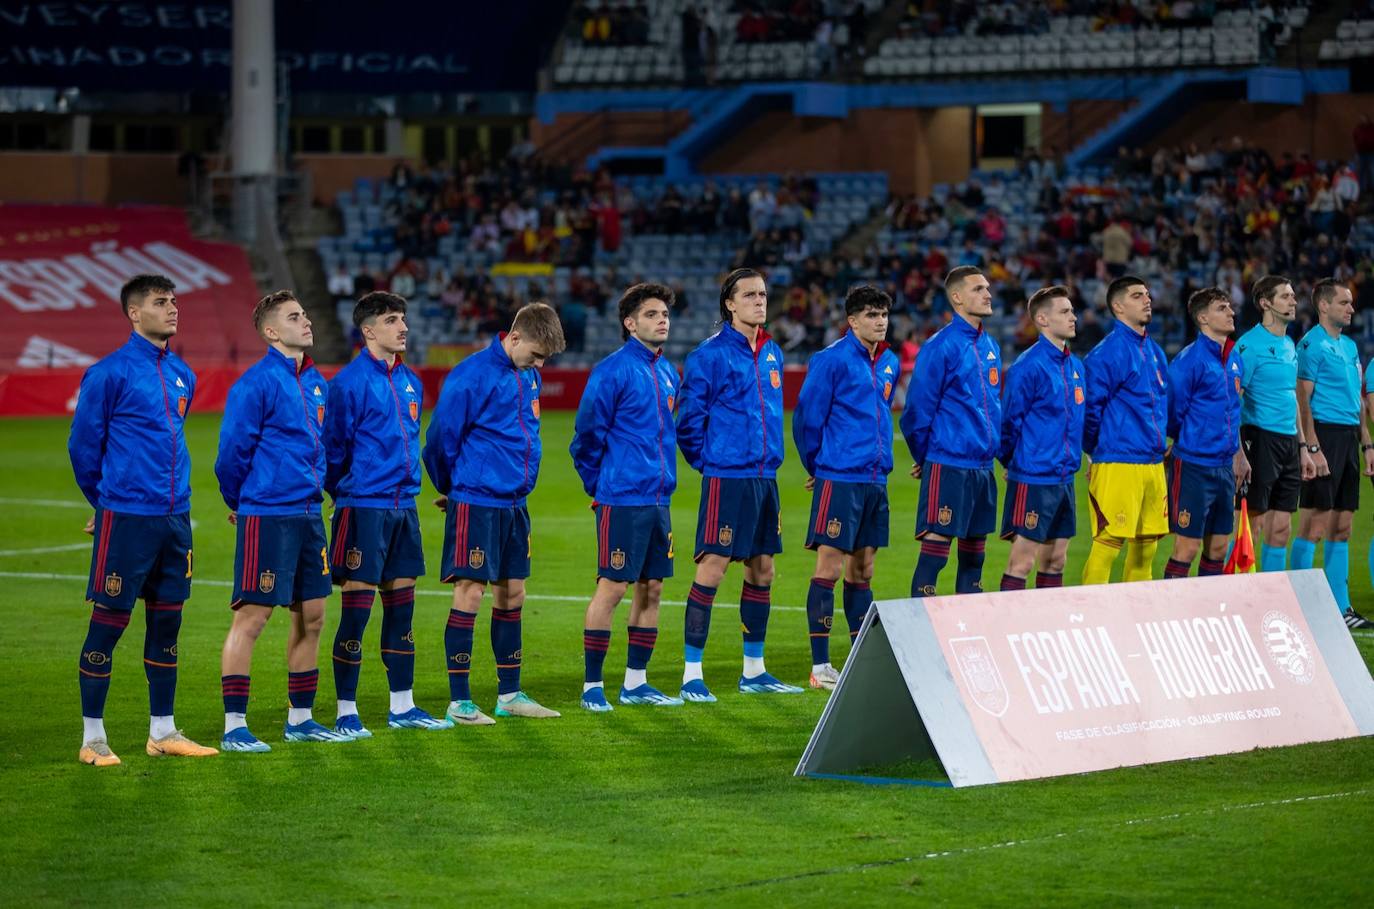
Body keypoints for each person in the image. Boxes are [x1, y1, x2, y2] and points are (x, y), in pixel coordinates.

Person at [68, 274, 218, 767]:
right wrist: (105, 502)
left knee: (167, 626)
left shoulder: (181, 373)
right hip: (128, 518)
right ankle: (93, 737)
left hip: (176, 520)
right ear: (134, 313)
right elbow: (83, 448)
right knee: (108, 625)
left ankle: (163, 731)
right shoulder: (108, 373)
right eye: (160, 302)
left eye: (174, 300)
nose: (173, 308)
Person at [216, 291, 349, 751]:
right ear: (271, 331)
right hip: (268, 515)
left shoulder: (316, 383)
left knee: (312, 617)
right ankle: (235, 726)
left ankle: (301, 719)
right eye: (295, 317)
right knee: (252, 619)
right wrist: (245, 501)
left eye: (306, 313)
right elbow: (231, 454)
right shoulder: (256, 384)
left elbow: (324, 448)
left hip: (309, 515)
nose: (307, 321)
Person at [424, 303, 568, 724]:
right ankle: (459, 701)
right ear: (515, 336)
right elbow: (439, 441)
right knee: (470, 592)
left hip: (514, 505)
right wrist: (454, 490)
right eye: (536, 354)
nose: (539, 364)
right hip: (477, 501)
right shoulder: (471, 375)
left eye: (544, 359)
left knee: (513, 593)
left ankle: (509, 695)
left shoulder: (529, 376)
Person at [323, 292, 447, 738]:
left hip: (404, 509)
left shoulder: (410, 380)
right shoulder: (348, 383)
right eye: (392, 320)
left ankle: (403, 705)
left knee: (402, 611)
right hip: (363, 508)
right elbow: (332, 450)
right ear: (368, 331)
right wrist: (347, 492)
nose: (404, 327)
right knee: (356, 613)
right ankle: (345, 710)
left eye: (404, 319)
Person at [676, 268, 802, 701]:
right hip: (727, 477)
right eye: (749, 294)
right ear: (730, 303)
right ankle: (692, 673)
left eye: (763, 294)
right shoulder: (708, 356)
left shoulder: (772, 353)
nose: (759, 301)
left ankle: (754, 670)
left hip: (765, 479)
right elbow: (688, 424)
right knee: (712, 569)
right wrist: (712, 465)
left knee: (763, 570)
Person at [569, 284, 683, 711]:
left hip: (658, 500)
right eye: (652, 314)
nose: (663, 320)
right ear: (630, 323)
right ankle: (592, 686)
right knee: (613, 588)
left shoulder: (669, 372)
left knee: (652, 588)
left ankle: (636, 683)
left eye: (665, 314)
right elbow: (585, 439)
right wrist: (600, 488)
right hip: (622, 499)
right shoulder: (612, 370)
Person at [792, 285, 900, 689]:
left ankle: (858, 661)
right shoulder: (831, 360)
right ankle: (820, 667)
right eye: (871, 315)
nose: (880, 321)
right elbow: (807, 419)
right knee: (830, 567)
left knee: (864, 569)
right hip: (840, 478)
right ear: (852, 321)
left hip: (875, 480)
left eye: (884, 314)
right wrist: (819, 465)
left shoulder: (888, 361)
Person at [900, 267, 1001, 597]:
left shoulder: (990, 346)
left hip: (983, 467)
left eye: (987, 288)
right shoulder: (940, 346)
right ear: (957, 297)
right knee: (936, 552)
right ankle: (919, 637)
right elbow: (916, 410)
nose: (987, 294)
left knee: (975, 558)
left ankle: (968, 638)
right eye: (978, 289)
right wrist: (927, 456)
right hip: (949, 462)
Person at [1292, 280, 1374, 629]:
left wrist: (1367, 443)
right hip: (1323, 434)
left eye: (1351, 303)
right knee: (1314, 523)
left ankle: (1342, 608)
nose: (1351, 309)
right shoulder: (1311, 345)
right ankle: (1301, 605)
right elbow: (1302, 400)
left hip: (1348, 439)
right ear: (1324, 306)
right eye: (1344, 303)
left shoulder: (1351, 347)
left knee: (1343, 525)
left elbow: (1357, 401)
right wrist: (1311, 447)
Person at [1080, 276, 1171, 585]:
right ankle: (1093, 622)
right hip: (1118, 462)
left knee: (1148, 550)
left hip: (1153, 463)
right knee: (1108, 546)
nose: (1147, 299)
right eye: (1137, 296)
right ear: (1118, 306)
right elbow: (1089, 411)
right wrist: (1097, 451)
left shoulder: (1155, 351)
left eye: (1147, 294)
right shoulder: (1106, 353)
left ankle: (1137, 623)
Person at [996, 286, 1085, 592]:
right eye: (1065, 312)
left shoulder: (1076, 366)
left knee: (1056, 561)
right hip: (1034, 478)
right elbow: (1008, 423)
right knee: (1022, 563)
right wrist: (1015, 462)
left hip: (1064, 479)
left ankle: (1045, 628)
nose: (1073, 317)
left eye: (1072, 311)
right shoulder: (1028, 366)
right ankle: (1009, 632)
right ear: (1043, 319)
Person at [1162, 288, 1250, 578]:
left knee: (1218, 547)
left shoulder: (1235, 358)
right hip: (1193, 466)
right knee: (1187, 547)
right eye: (1222, 308)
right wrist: (1190, 440)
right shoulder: (1189, 361)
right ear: (1203, 317)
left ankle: (1207, 612)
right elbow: (1172, 413)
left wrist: (1238, 452)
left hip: (1224, 467)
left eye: (1229, 307)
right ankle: (1172, 614)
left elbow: (1233, 411)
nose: (1231, 313)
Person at [1235, 276, 1314, 571]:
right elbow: (1234, 401)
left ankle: (1271, 599)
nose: (1294, 301)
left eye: (1293, 296)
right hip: (1259, 438)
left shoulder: (1289, 345)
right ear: (1265, 303)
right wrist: (1238, 451)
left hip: (1289, 442)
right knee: (1251, 525)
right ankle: (1240, 600)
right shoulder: (1249, 346)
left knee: (1281, 528)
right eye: (1286, 296)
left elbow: (1291, 397)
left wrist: (1303, 446)